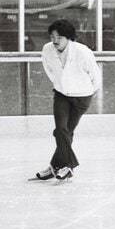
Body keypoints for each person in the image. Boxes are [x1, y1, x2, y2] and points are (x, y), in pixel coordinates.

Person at [33, 19, 101, 181]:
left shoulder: (82, 52)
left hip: (82, 96)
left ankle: (54, 166)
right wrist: (60, 84)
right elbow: (49, 70)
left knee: (65, 132)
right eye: (52, 37)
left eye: (59, 37)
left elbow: (95, 75)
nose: (55, 41)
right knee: (61, 130)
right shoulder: (47, 49)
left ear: (68, 38)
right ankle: (68, 166)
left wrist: (88, 92)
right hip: (61, 94)